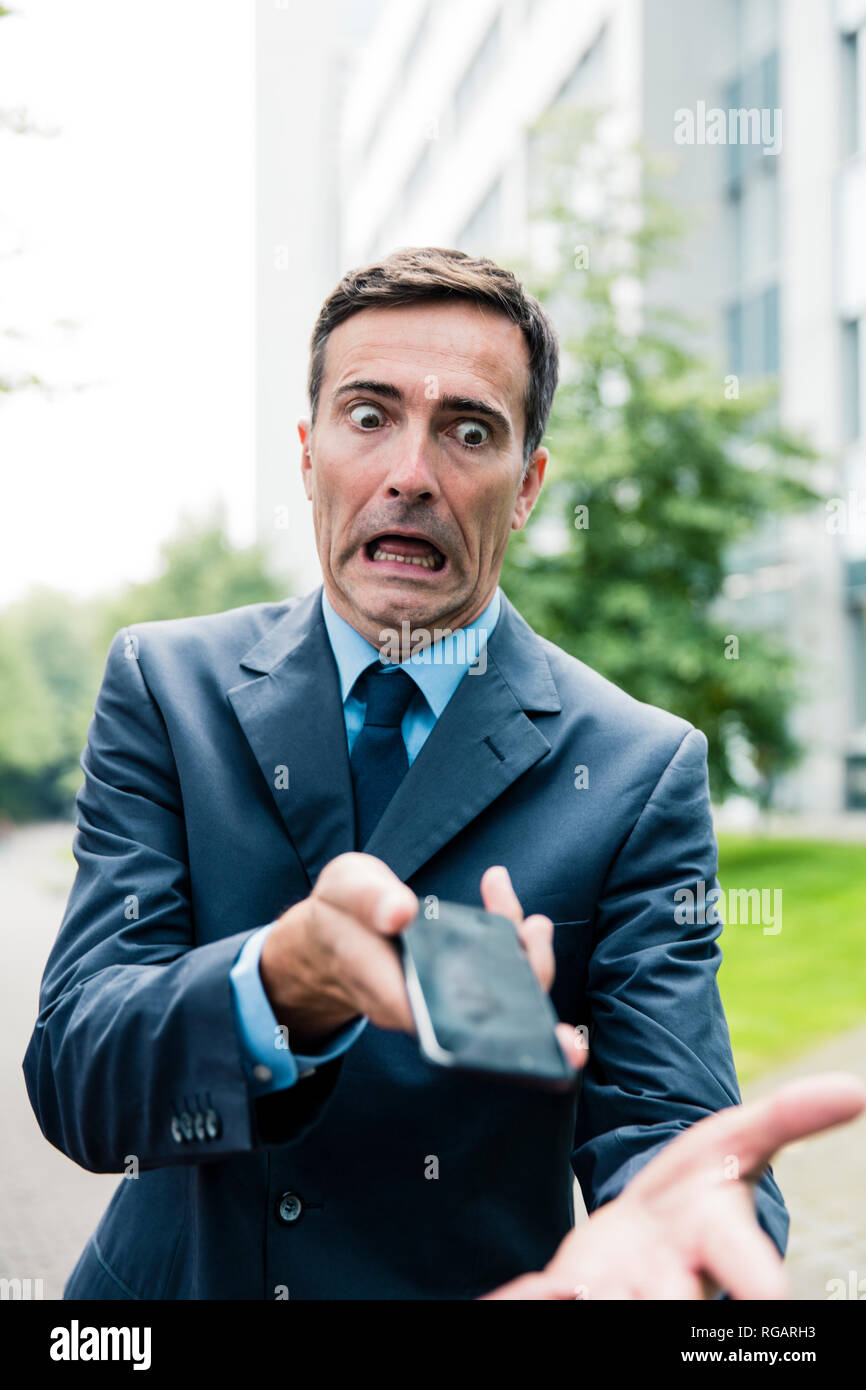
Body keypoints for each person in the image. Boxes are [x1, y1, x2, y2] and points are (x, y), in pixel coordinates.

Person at [22, 246, 863, 1301]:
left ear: (527, 487)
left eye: (470, 431)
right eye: (367, 416)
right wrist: (279, 985)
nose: (410, 473)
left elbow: (665, 1126)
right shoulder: (164, 685)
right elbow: (78, 1077)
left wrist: (696, 1228)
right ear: (307, 453)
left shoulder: (639, 769)